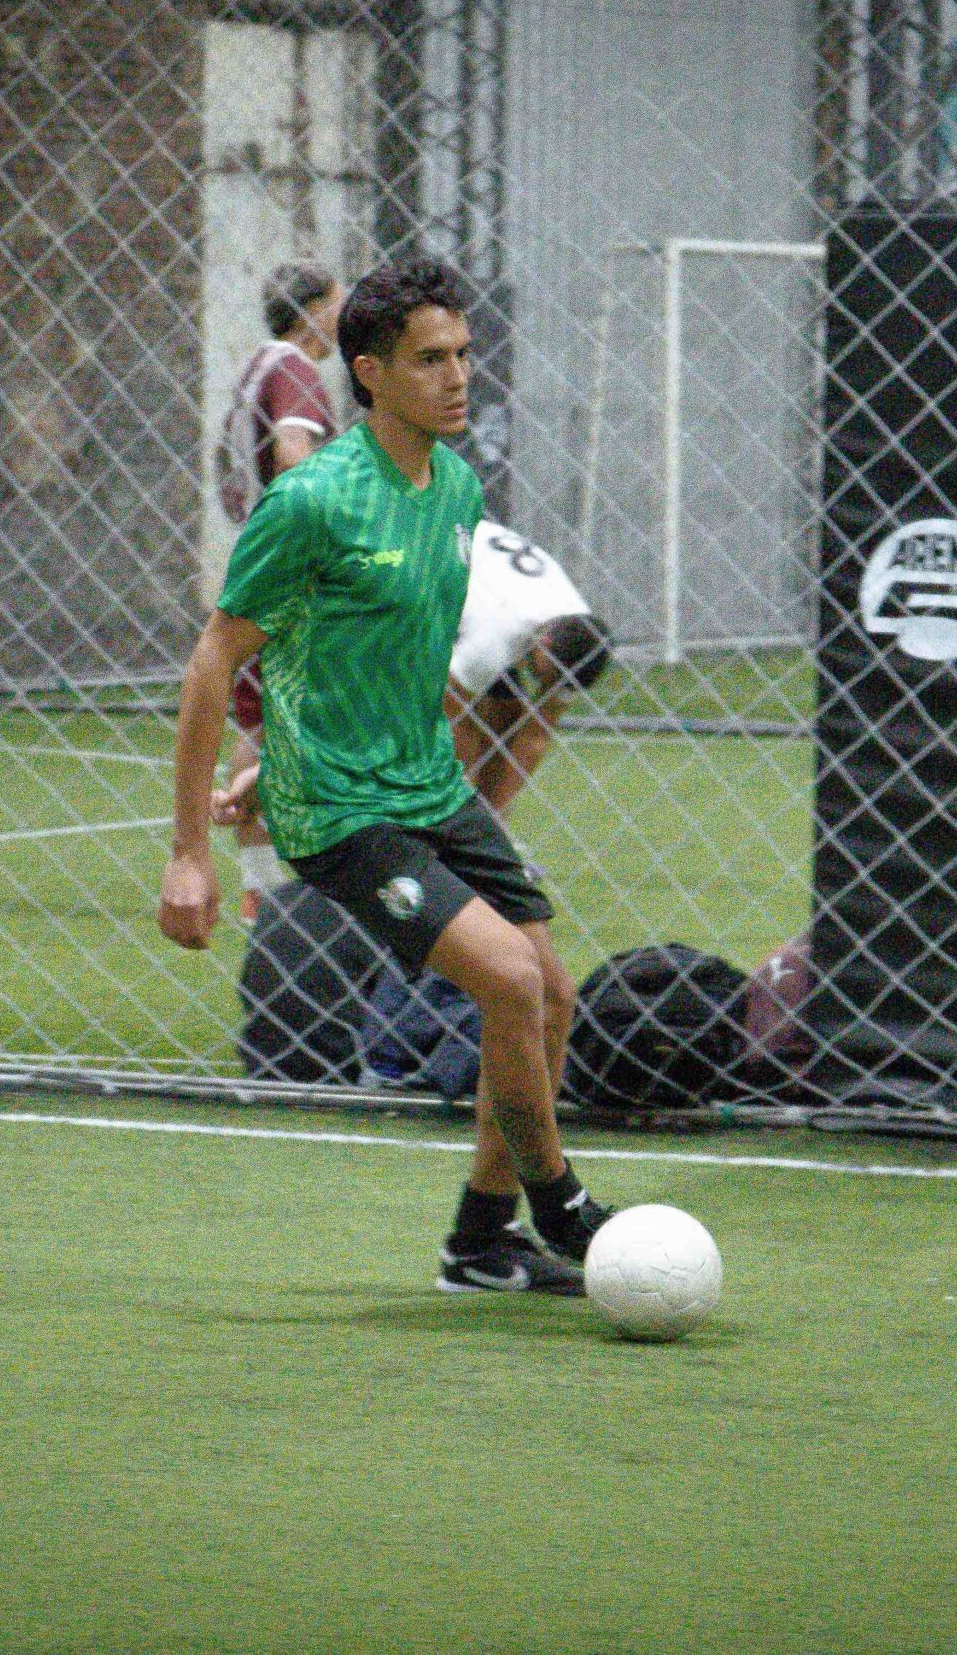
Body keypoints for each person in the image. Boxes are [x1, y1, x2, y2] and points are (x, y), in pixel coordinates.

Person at [161, 256, 617, 1290]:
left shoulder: (454, 486)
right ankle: (563, 1205)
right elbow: (214, 660)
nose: (457, 378)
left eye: (463, 354)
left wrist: (294, 746)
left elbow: (387, 655)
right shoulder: (311, 502)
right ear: (369, 373)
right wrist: (191, 850)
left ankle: (481, 1243)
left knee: (551, 996)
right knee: (507, 978)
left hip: (427, 786)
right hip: (339, 812)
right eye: (429, 360)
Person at [217, 263, 344, 920]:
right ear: (313, 310)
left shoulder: (255, 368)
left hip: (256, 556)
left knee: (263, 719)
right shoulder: (296, 369)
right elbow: (295, 452)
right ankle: (289, 884)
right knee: (306, 718)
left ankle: (261, 885)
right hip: (292, 570)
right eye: (338, 303)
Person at [446, 520, 614, 818]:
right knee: (462, 728)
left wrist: (496, 818)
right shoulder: (497, 634)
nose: (546, 685)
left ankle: (486, 828)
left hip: (484, 582)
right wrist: (460, 799)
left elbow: (535, 736)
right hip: (433, 560)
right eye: (548, 677)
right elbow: (453, 717)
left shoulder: (579, 633)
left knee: (509, 715)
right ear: (545, 642)